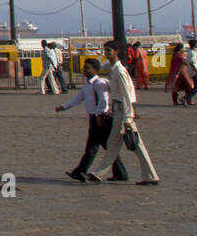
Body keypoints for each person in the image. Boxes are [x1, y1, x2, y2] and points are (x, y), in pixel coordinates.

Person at [87, 41, 158, 185]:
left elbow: (127, 94)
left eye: (109, 50)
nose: (106, 53)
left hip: (123, 111)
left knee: (132, 144)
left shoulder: (120, 71)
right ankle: (98, 174)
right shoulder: (113, 70)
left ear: (116, 51)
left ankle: (150, 176)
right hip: (119, 110)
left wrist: (127, 116)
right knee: (116, 144)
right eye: (105, 50)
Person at [57, 58, 127, 182]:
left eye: (88, 68)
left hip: (100, 118)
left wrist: (99, 115)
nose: (85, 70)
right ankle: (120, 173)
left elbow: (104, 100)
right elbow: (78, 98)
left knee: (93, 147)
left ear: (95, 69)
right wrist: (64, 107)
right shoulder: (87, 86)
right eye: (85, 67)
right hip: (94, 118)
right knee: (108, 147)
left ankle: (80, 171)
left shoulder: (99, 83)